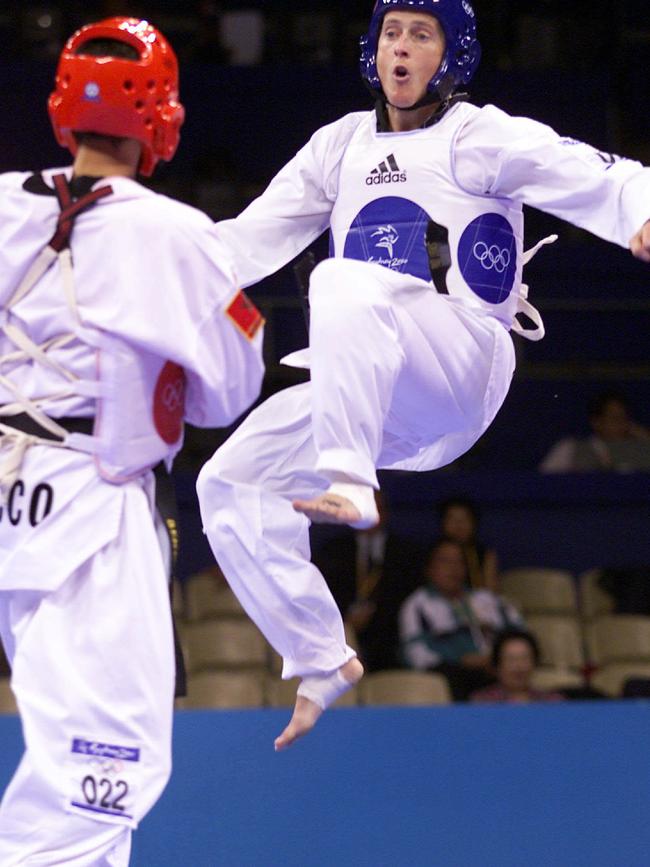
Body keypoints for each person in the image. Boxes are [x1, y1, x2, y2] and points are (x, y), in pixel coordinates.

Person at [197, 0, 650, 749]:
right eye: (390, 34)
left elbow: (598, 170)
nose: (400, 49)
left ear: (454, 53)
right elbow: (243, 243)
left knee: (341, 280)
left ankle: (347, 480)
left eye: (420, 34)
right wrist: (142, 264)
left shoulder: (479, 135)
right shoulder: (337, 147)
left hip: (461, 363)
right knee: (228, 482)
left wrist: (637, 210)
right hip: (377, 398)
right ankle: (320, 655)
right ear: (370, 51)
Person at [0, 17, 264, 866]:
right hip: (91, 502)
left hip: (10, 501)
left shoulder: (2, 205)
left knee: (83, 762)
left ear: (61, 110)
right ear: (161, 118)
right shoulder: (177, 235)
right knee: (102, 766)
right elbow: (232, 388)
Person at [398, 539, 522, 700]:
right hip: (452, 675)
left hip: (496, 670)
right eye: (445, 561)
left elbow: (521, 633)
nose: (453, 568)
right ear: (429, 569)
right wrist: (461, 661)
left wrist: (500, 658)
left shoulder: (486, 599)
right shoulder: (417, 604)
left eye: (459, 562)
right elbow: (415, 653)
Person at [539, 390, 650, 472]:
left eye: (625, 419)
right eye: (615, 419)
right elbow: (544, 484)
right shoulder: (570, 448)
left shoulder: (638, 451)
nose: (622, 424)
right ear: (596, 422)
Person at [470, 629, 564, 704]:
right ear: (498, 665)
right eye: (511, 659)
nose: (519, 666)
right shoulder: (483, 702)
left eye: (525, 658)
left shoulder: (552, 701)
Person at [439, 496, 499, 591]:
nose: (459, 525)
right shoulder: (433, 554)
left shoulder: (484, 554)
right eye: (452, 519)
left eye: (464, 519)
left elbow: (491, 592)